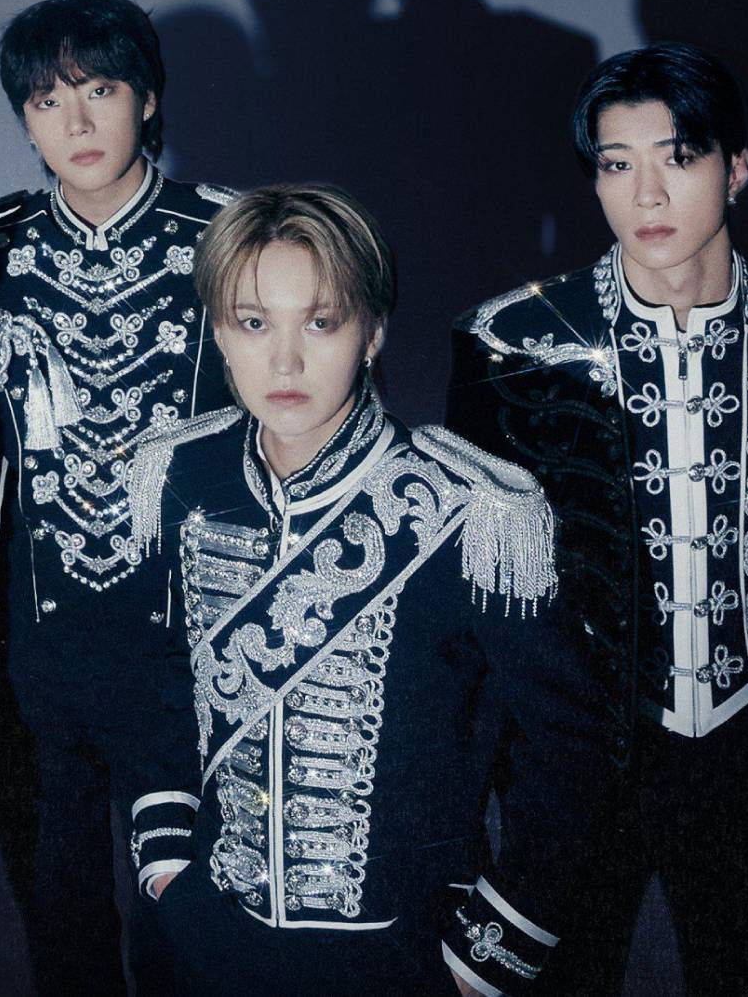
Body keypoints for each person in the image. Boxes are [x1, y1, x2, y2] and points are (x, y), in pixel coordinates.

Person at [448, 42, 748, 994]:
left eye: (679, 157)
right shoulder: (509, 346)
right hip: (575, 760)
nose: (646, 194)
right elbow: (476, 588)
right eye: (618, 164)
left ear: (737, 167)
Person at [130, 185, 612, 995]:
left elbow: (573, 752)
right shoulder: (180, 472)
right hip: (205, 945)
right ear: (218, 332)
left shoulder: (477, 511)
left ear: (373, 332)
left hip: (399, 959)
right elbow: (153, 673)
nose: (285, 362)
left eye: (321, 322)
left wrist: (484, 955)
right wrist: (168, 861)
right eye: (254, 323)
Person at [0, 0, 239, 994]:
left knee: (190, 934)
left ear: (147, 97)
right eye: (47, 101)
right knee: (58, 928)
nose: (76, 122)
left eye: (99, 90)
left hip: (193, 649)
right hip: (36, 651)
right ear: (24, 120)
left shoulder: (233, 233)